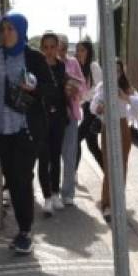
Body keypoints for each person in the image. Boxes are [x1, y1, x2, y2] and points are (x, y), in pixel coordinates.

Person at [0, 12, 52, 256]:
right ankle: (23, 229)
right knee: (13, 178)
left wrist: (36, 87)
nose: (6, 34)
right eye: (3, 29)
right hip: (1, 130)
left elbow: (53, 91)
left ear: (21, 31)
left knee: (21, 178)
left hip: (26, 130)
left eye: (11, 29)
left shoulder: (34, 58)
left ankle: (25, 231)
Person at [91, 59, 138, 220]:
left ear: (122, 72)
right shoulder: (102, 87)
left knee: (121, 166)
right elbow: (93, 107)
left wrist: (125, 97)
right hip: (107, 126)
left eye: (118, 70)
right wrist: (99, 107)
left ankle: (118, 203)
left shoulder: (126, 86)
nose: (115, 73)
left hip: (122, 126)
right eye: (112, 70)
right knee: (109, 166)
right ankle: (106, 204)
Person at [39, 33, 68, 215]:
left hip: (58, 117)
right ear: (42, 48)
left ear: (58, 48)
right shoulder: (37, 66)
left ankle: (56, 193)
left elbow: (61, 91)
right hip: (41, 117)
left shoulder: (61, 66)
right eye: (46, 47)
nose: (50, 51)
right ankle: (47, 197)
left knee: (56, 156)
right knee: (44, 158)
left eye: (53, 47)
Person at [60, 54, 85, 206]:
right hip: (52, 116)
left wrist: (75, 89)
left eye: (63, 47)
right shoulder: (47, 62)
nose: (59, 50)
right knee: (51, 157)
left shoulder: (73, 62)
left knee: (70, 155)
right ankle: (52, 191)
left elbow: (83, 87)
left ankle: (68, 192)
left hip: (71, 116)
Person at [76, 39, 104, 171]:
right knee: (92, 146)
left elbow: (100, 88)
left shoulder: (94, 66)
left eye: (82, 50)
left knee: (75, 139)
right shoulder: (80, 68)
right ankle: (108, 174)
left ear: (89, 52)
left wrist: (84, 96)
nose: (79, 53)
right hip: (86, 108)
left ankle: (72, 173)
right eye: (78, 50)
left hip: (94, 110)